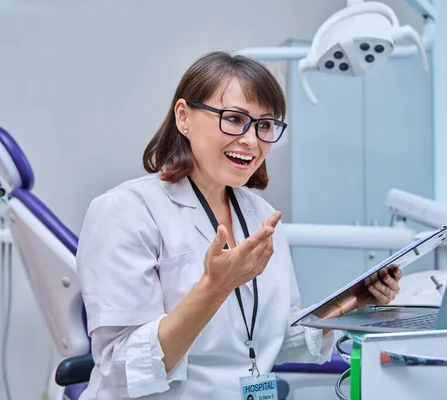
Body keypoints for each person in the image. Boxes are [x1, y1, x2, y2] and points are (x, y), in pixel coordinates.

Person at [76, 50, 402, 399]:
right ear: (183, 117)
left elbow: (272, 340)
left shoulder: (261, 216)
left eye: (265, 125)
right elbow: (123, 366)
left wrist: (351, 305)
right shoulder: (126, 211)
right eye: (233, 119)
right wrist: (214, 288)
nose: (251, 140)